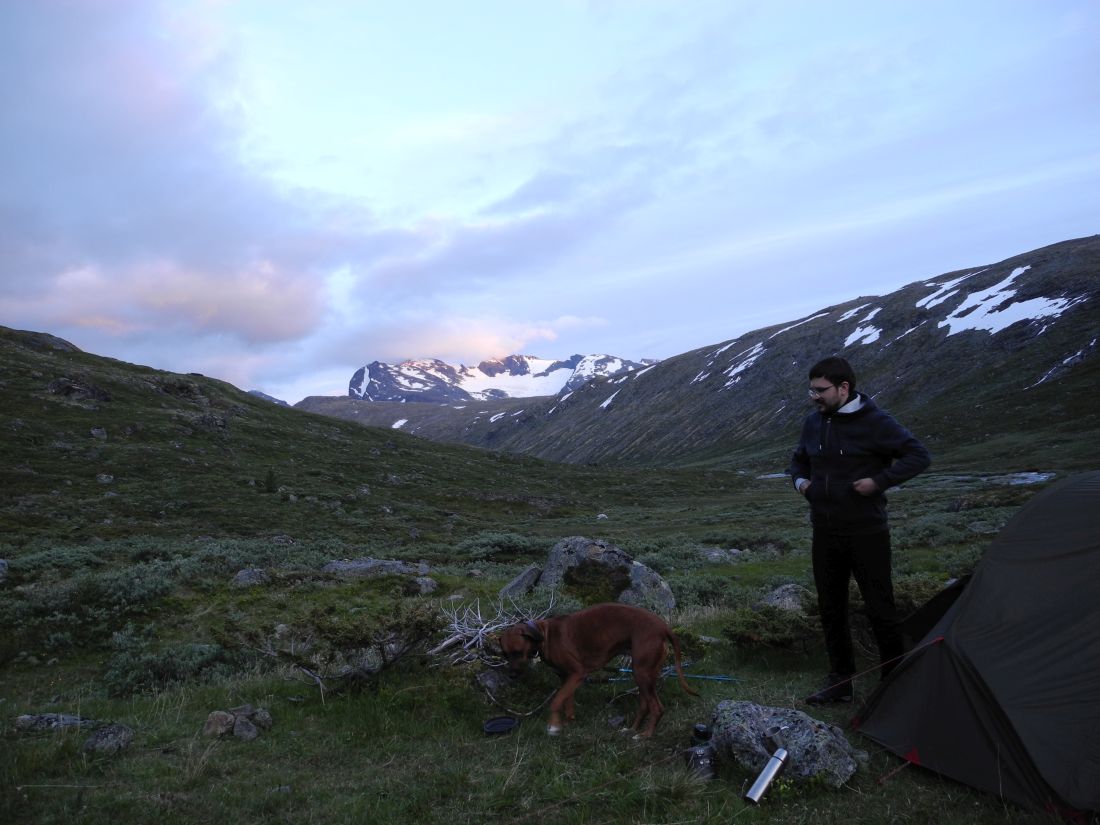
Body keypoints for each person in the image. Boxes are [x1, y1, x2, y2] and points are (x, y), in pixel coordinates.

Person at [789, 356, 930, 704]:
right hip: (825, 529)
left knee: (880, 606)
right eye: (812, 390)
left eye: (820, 390)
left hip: (867, 531)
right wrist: (800, 482)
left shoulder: (876, 422)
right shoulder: (813, 422)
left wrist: (880, 481)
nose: (814, 397)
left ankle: (893, 679)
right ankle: (841, 682)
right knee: (830, 606)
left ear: (844, 388)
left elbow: (918, 455)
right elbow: (798, 459)